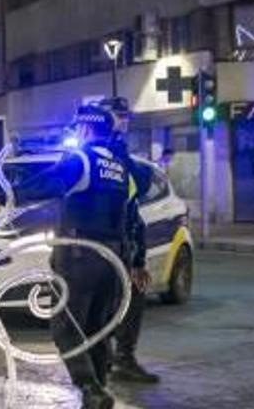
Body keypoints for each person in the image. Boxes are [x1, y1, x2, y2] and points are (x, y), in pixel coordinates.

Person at [14, 104, 136, 409]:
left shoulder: (82, 158)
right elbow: (132, 212)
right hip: (114, 259)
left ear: (85, 129)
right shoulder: (121, 167)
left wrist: (5, 193)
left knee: (66, 326)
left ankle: (90, 387)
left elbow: (45, 184)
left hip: (80, 256)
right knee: (97, 329)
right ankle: (98, 390)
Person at [96, 97, 160, 385]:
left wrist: (137, 258)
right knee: (105, 304)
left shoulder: (121, 155)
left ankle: (120, 359)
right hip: (96, 245)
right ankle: (107, 360)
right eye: (117, 116)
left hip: (119, 243)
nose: (123, 121)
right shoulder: (103, 154)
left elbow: (133, 206)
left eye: (125, 116)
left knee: (130, 297)